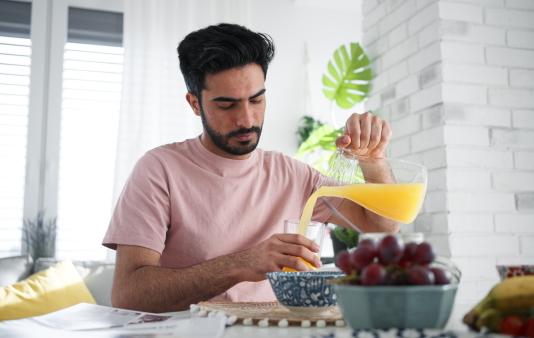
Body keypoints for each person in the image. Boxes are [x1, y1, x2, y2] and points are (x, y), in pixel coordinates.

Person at [102, 23, 396, 313]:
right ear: (195, 104)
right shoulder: (159, 170)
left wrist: (373, 159)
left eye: (256, 99)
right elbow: (129, 294)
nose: (246, 119)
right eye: (227, 105)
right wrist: (242, 264)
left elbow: (382, 223)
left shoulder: (294, 175)